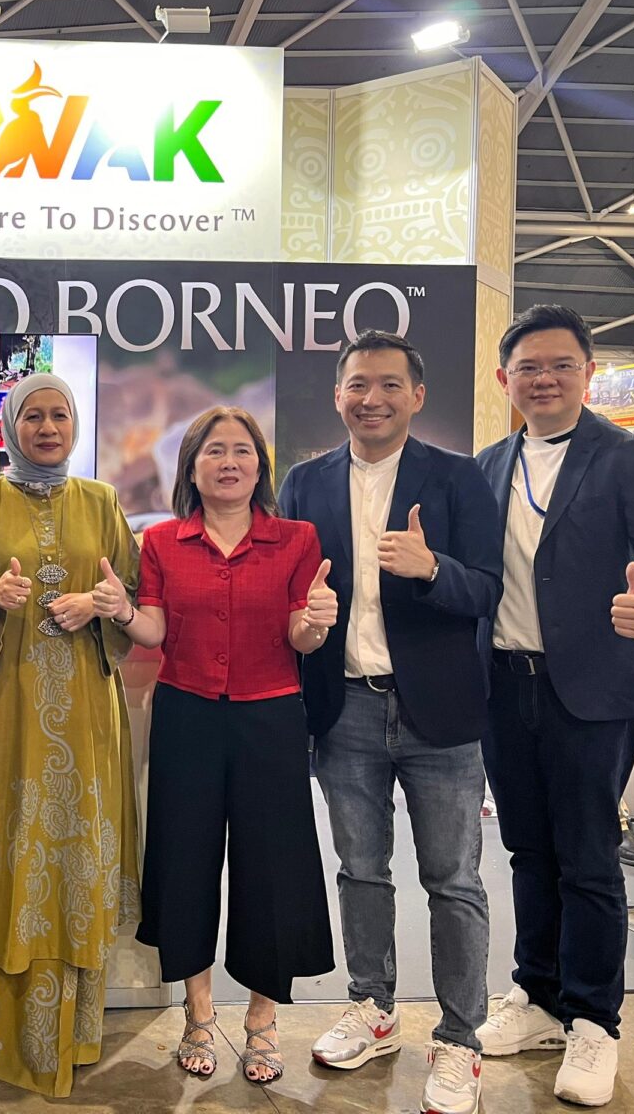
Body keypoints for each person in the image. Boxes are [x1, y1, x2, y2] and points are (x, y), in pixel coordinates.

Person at [278, 330, 502, 1114]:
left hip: (441, 712)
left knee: (454, 879)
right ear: (338, 394)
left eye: (388, 385)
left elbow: (488, 590)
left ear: (417, 396)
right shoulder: (304, 483)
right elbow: (288, 592)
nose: (371, 399)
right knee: (360, 869)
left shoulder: (458, 477)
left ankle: (461, 1038)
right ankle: (373, 1006)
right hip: (345, 708)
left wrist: (432, 568)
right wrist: (302, 614)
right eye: (357, 385)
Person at [0, 374, 140, 1098]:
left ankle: (70, 1034)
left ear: (74, 424)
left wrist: (103, 604)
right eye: (32, 416)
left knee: (69, 861)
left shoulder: (102, 502)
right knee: (1, 857)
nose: (46, 428)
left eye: (58, 415)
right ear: (10, 427)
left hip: (83, 718)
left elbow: (131, 599)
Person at [473, 304, 634, 1107]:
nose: (545, 379)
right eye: (529, 367)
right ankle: (538, 994)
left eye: (561, 365)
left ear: (588, 373)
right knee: (528, 851)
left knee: (588, 858)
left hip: (592, 690)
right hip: (505, 686)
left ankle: (594, 1020)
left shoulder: (627, 457)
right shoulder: (489, 464)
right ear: (505, 379)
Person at [96, 406, 334, 1085]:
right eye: (214, 451)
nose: (229, 462)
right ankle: (198, 1014)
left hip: (271, 718)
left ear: (260, 465)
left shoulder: (295, 539)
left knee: (271, 866)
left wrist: (317, 623)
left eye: (242, 451)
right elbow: (155, 630)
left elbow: (299, 635)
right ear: (191, 467)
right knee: (185, 861)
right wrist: (122, 611)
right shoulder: (163, 541)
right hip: (187, 715)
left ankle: (262, 1020)